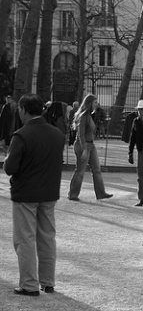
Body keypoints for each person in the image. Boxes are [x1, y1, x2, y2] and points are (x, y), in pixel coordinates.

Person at [3, 94, 64, 296]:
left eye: (19, 110)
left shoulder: (21, 135)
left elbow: (10, 168)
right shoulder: (57, 134)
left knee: (25, 239)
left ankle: (29, 284)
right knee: (47, 237)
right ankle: (48, 282)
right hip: (49, 192)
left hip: (26, 193)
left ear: (24, 111)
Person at [68, 94, 113, 201]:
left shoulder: (89, 115)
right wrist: (84, 149)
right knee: (80, 171)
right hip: (83, 145)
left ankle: (101, 193)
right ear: (89, 103)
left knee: (97, 169)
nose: (96, 104)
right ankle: (73, 194)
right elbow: (80, 134)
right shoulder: (83, 116)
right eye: (95, 102)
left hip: (90, 145)